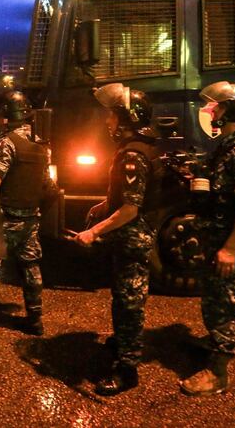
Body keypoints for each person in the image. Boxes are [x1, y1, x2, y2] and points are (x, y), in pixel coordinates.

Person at [71, 83, 160, 396]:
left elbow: (130, 209)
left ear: (126, 118)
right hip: (129, 239)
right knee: (122, 298)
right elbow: (124, 199)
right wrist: (102, 206)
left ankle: (127, 368)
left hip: (133, 239)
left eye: (111, 116)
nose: (107, 122)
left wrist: (93, 231)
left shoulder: (134, 154)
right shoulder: (139, 146)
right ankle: (122, 342)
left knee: (130, 302)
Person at [180, 81, 235, 397]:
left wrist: (230, 248)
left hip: (227, 242)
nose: (211, 110)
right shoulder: (226, 146)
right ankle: (212, 341)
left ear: (232, 111)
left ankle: (218, 373)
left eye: (217, 106)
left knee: (225, 305)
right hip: (216, 239)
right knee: (213, 298)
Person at [0, 90, 54, 351]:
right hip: (30, 220)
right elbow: (48, 186)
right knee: (31, 269)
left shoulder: (7, 143)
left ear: (7, 116)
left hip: (4, 220)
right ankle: (35, 322)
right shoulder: (42, 146)